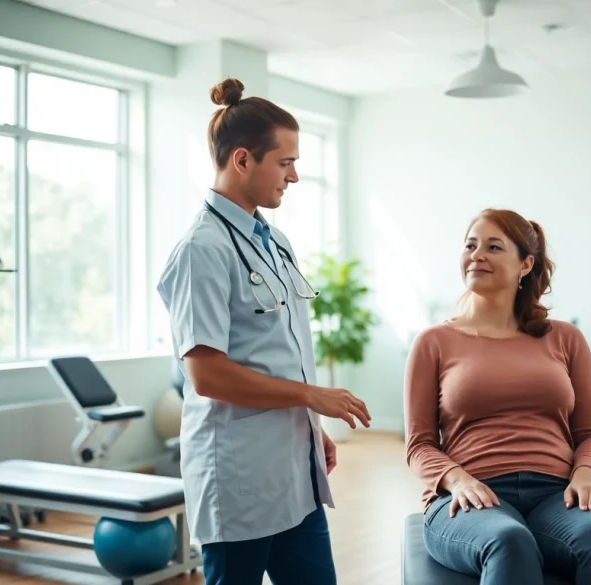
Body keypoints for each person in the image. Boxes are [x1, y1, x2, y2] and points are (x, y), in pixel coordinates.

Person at [157, 77, 371, 585]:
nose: (294, 177)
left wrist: (309, 425)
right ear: (243, 161)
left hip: (294, 469)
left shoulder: (274, 240)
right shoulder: (202, 250)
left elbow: (276, 348)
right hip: (239, 478)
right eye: (286, 162)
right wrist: (310, 396)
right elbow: (207, 375)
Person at [403, 208, 591, 585]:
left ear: (525, 265)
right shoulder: (433, 342)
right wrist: (459, 480)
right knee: (508, 539)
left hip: (556, 493)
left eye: (493, 247)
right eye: (470, 245)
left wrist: (586, 474)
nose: (477, 254)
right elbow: (419, 446)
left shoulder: (565, 338)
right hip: (472, 496)